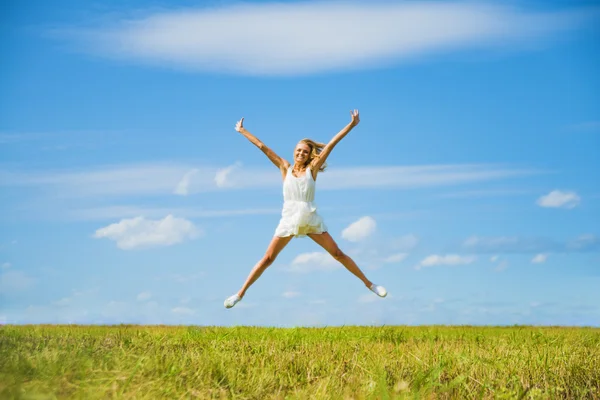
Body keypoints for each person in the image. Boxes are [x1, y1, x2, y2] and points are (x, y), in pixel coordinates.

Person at [224, 110, 387, 309]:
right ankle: (239, 294)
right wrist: (242, 130)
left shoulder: (313, 169)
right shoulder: (284, 167)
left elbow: (332, 143)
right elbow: (262, 147)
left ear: (310, 154)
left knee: (337, 254)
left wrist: (351, 125)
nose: (301, 153)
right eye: (298, 150)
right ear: (294, 151)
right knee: (267, 258)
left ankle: (370, 284)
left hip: (310, 219)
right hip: (289, 219)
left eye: (305, 151)